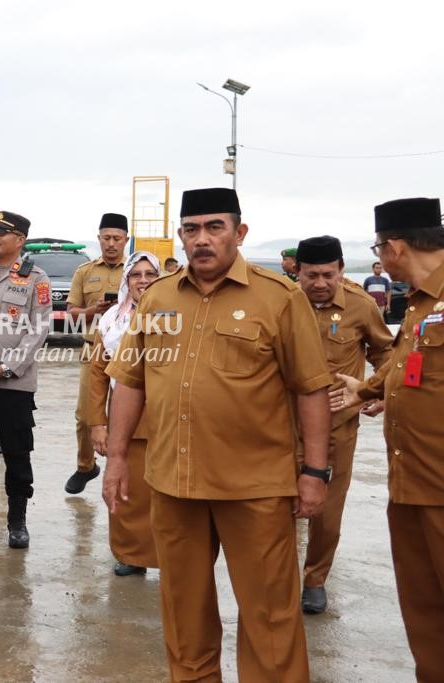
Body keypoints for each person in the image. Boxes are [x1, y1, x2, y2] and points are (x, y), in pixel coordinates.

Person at [104, 188, 333, 681]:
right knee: (184, 611)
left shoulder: (279, 297)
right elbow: (130, 381)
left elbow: (311, 390)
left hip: (255, 486)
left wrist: (315, 471)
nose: (201, 240)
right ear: (180, 236)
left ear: (239, 233)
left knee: (270, 614)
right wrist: (117, 458)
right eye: (191, 230)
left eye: (214, 228)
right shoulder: (158, 297)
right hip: (173, 481)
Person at [330, 197, 444, 682]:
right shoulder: (419, 305)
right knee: (425, 611)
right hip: (412, 483)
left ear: (394, 246)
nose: (380, 257)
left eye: (379, 248)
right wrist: (369, 389)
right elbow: (415, 371)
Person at [293, 235, 394, 615]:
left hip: (338, 425)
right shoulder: (281, 305)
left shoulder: (360, 306)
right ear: (297, 273)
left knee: (327, 510)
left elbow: (387, 352)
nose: (320, 283)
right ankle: (280, 576)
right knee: (276, 503)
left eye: (328, 275)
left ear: (340, 270)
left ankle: (315, 579)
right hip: (283, 424)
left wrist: (377, 392)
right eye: (311, 275)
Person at [0, 211, 51, 549]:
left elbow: (38, 330)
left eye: (2, 231)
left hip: (13, 384)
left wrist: (4, 368)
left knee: (17, 453)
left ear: (21, 240)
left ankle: (17, 520)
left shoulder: (36, 279)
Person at [85, 251, 161, 576]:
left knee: (169, 496)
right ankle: (130, 555)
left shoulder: (176, 316)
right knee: (126, 491)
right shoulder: (111, 320)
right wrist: (98, 424)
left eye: (150, 274)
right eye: (136, 275)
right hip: (126, 419)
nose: (143, 280)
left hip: (170, 418)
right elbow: (98, 374)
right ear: (127, 280)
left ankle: (170, 558)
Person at [64, 213, 128, 495]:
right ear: (99, 239)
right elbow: (71, 313)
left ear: (126, 239)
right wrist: (93, 311)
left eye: (117, 238)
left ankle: (135, 463)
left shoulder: (139, 269)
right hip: (94, 351)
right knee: (86, 415)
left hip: (132, 353)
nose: (111, 244)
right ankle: (85, 466)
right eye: (106, 238)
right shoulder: (84, 271)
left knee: (135, 415)